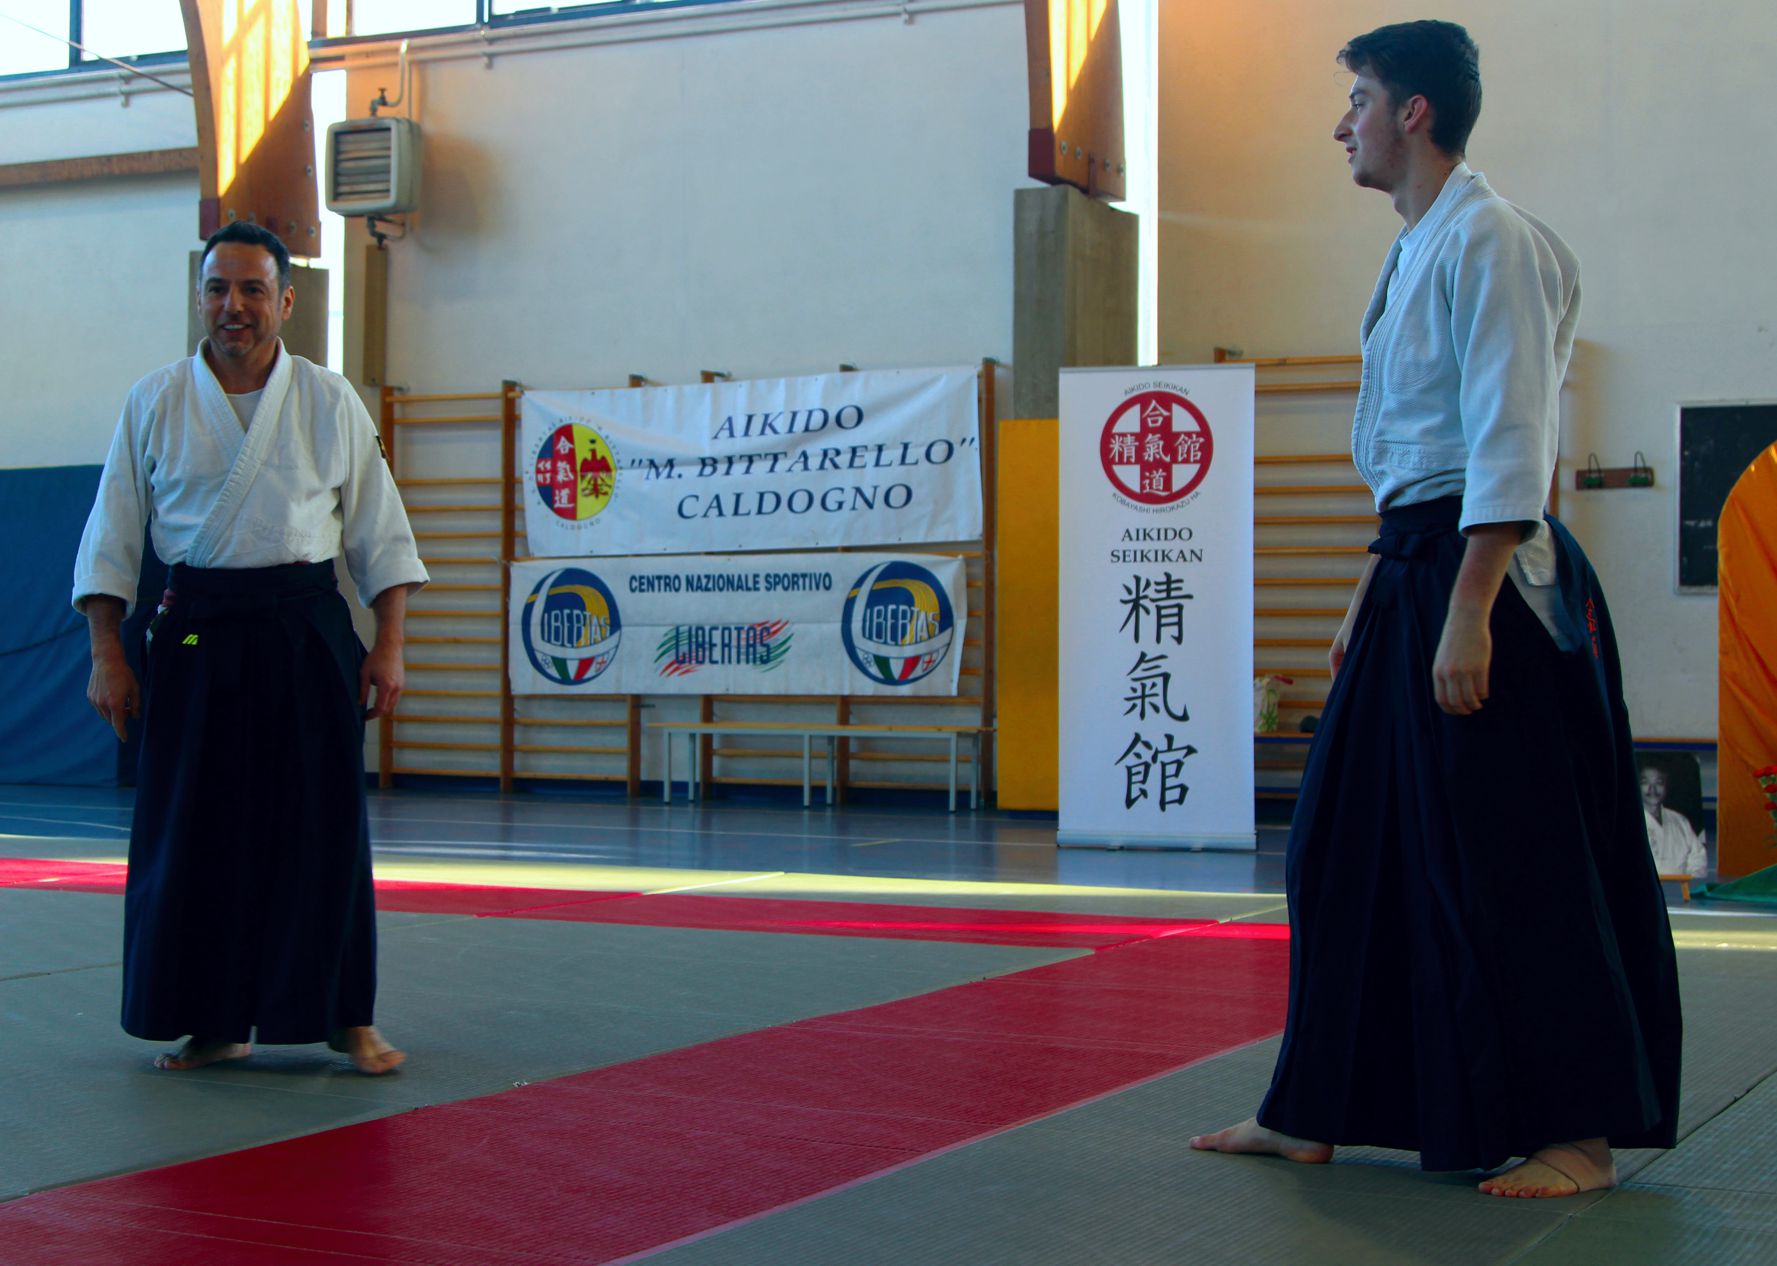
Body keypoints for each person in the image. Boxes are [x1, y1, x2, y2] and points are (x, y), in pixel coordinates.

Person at [1190, 21, 1681, 1197]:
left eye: (1357, 99)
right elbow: (1410, 459)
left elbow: (1511, 434)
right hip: (1414, 563)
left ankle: (1576, 1135)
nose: (1340, 124)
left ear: (1412, 112)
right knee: (1337, 844)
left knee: (1515, 848)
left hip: (1487, 575)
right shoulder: (1419, 247)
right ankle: (1315, 1106)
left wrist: (1469, 609)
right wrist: (1370, 593)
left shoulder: (1491, 238)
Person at [73, 222, 429, 1075]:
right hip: (196, 629)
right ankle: (212, 1021)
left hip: (304, 627)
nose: (233, 305)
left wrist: (388, 645)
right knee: (195, 831)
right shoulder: (155, 400)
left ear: (286, 301)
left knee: (323, 828)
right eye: (217, 289)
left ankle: (344, 1016)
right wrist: (106, 654)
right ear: (199, 298)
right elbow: (113, 536)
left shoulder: (328, 399)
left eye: (252, 290)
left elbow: (379, 533)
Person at [1641, 764, 1708, 878]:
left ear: (1666, 786)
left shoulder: (1680, 820)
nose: (1652, 789)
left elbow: (1698, 858)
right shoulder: (1628, 822)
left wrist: (1686, 881)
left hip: (1681, 886)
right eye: (1645, 783)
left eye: (1659, 783)